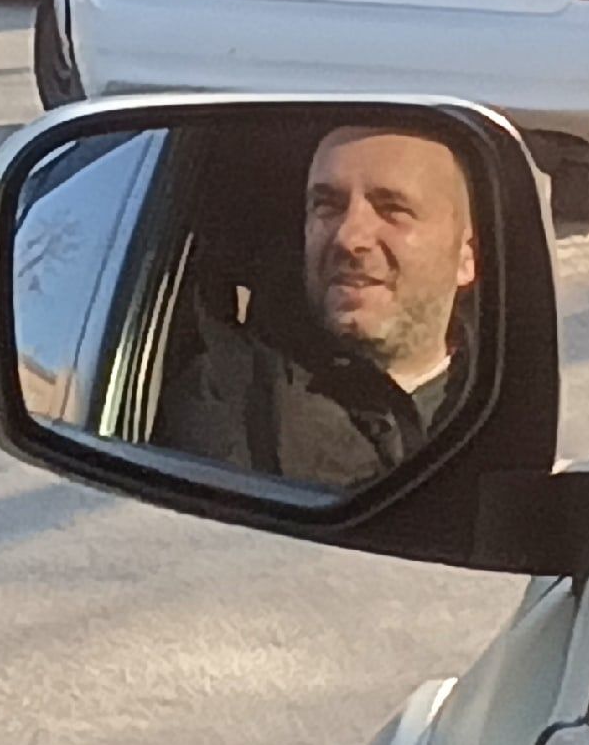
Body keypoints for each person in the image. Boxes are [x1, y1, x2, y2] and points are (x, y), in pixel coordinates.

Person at [156, 124, 480, 489]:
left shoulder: (517, 409)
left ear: (466, 255)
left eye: (393, 209)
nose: (348, 238)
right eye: (327, 206)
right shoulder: (229, 403)